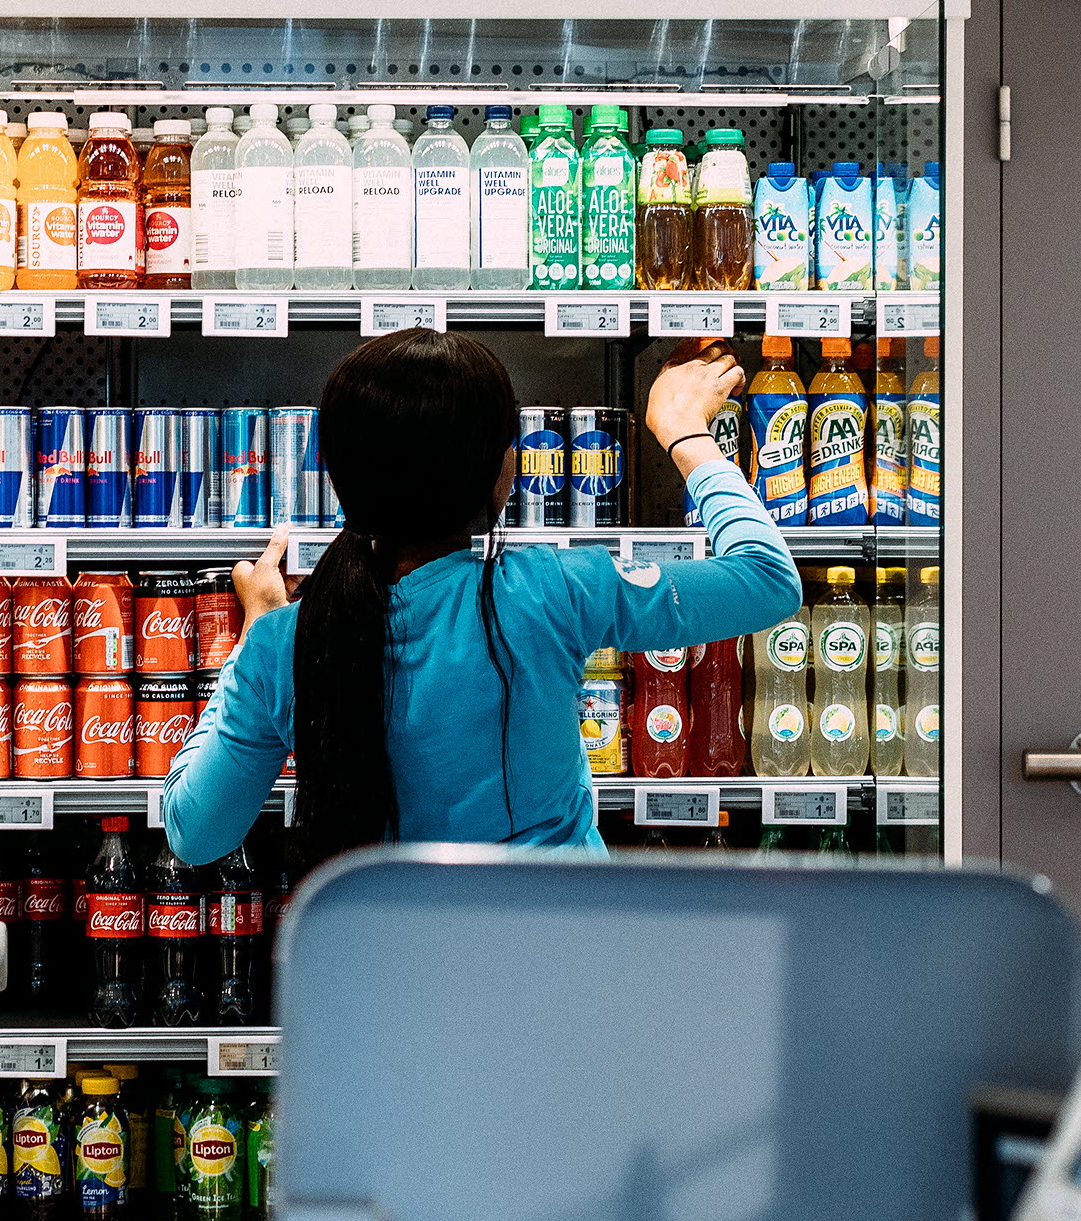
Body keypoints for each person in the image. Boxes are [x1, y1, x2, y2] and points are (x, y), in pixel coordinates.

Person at [159, 328, 800, 870]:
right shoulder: (550, 591)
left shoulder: (288, 642)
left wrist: (259, 631)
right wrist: (686, 432)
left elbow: (196, 834)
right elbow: (768, 580)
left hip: (396, 990)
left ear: (337, 476)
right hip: (564, 969)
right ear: (502, 474)